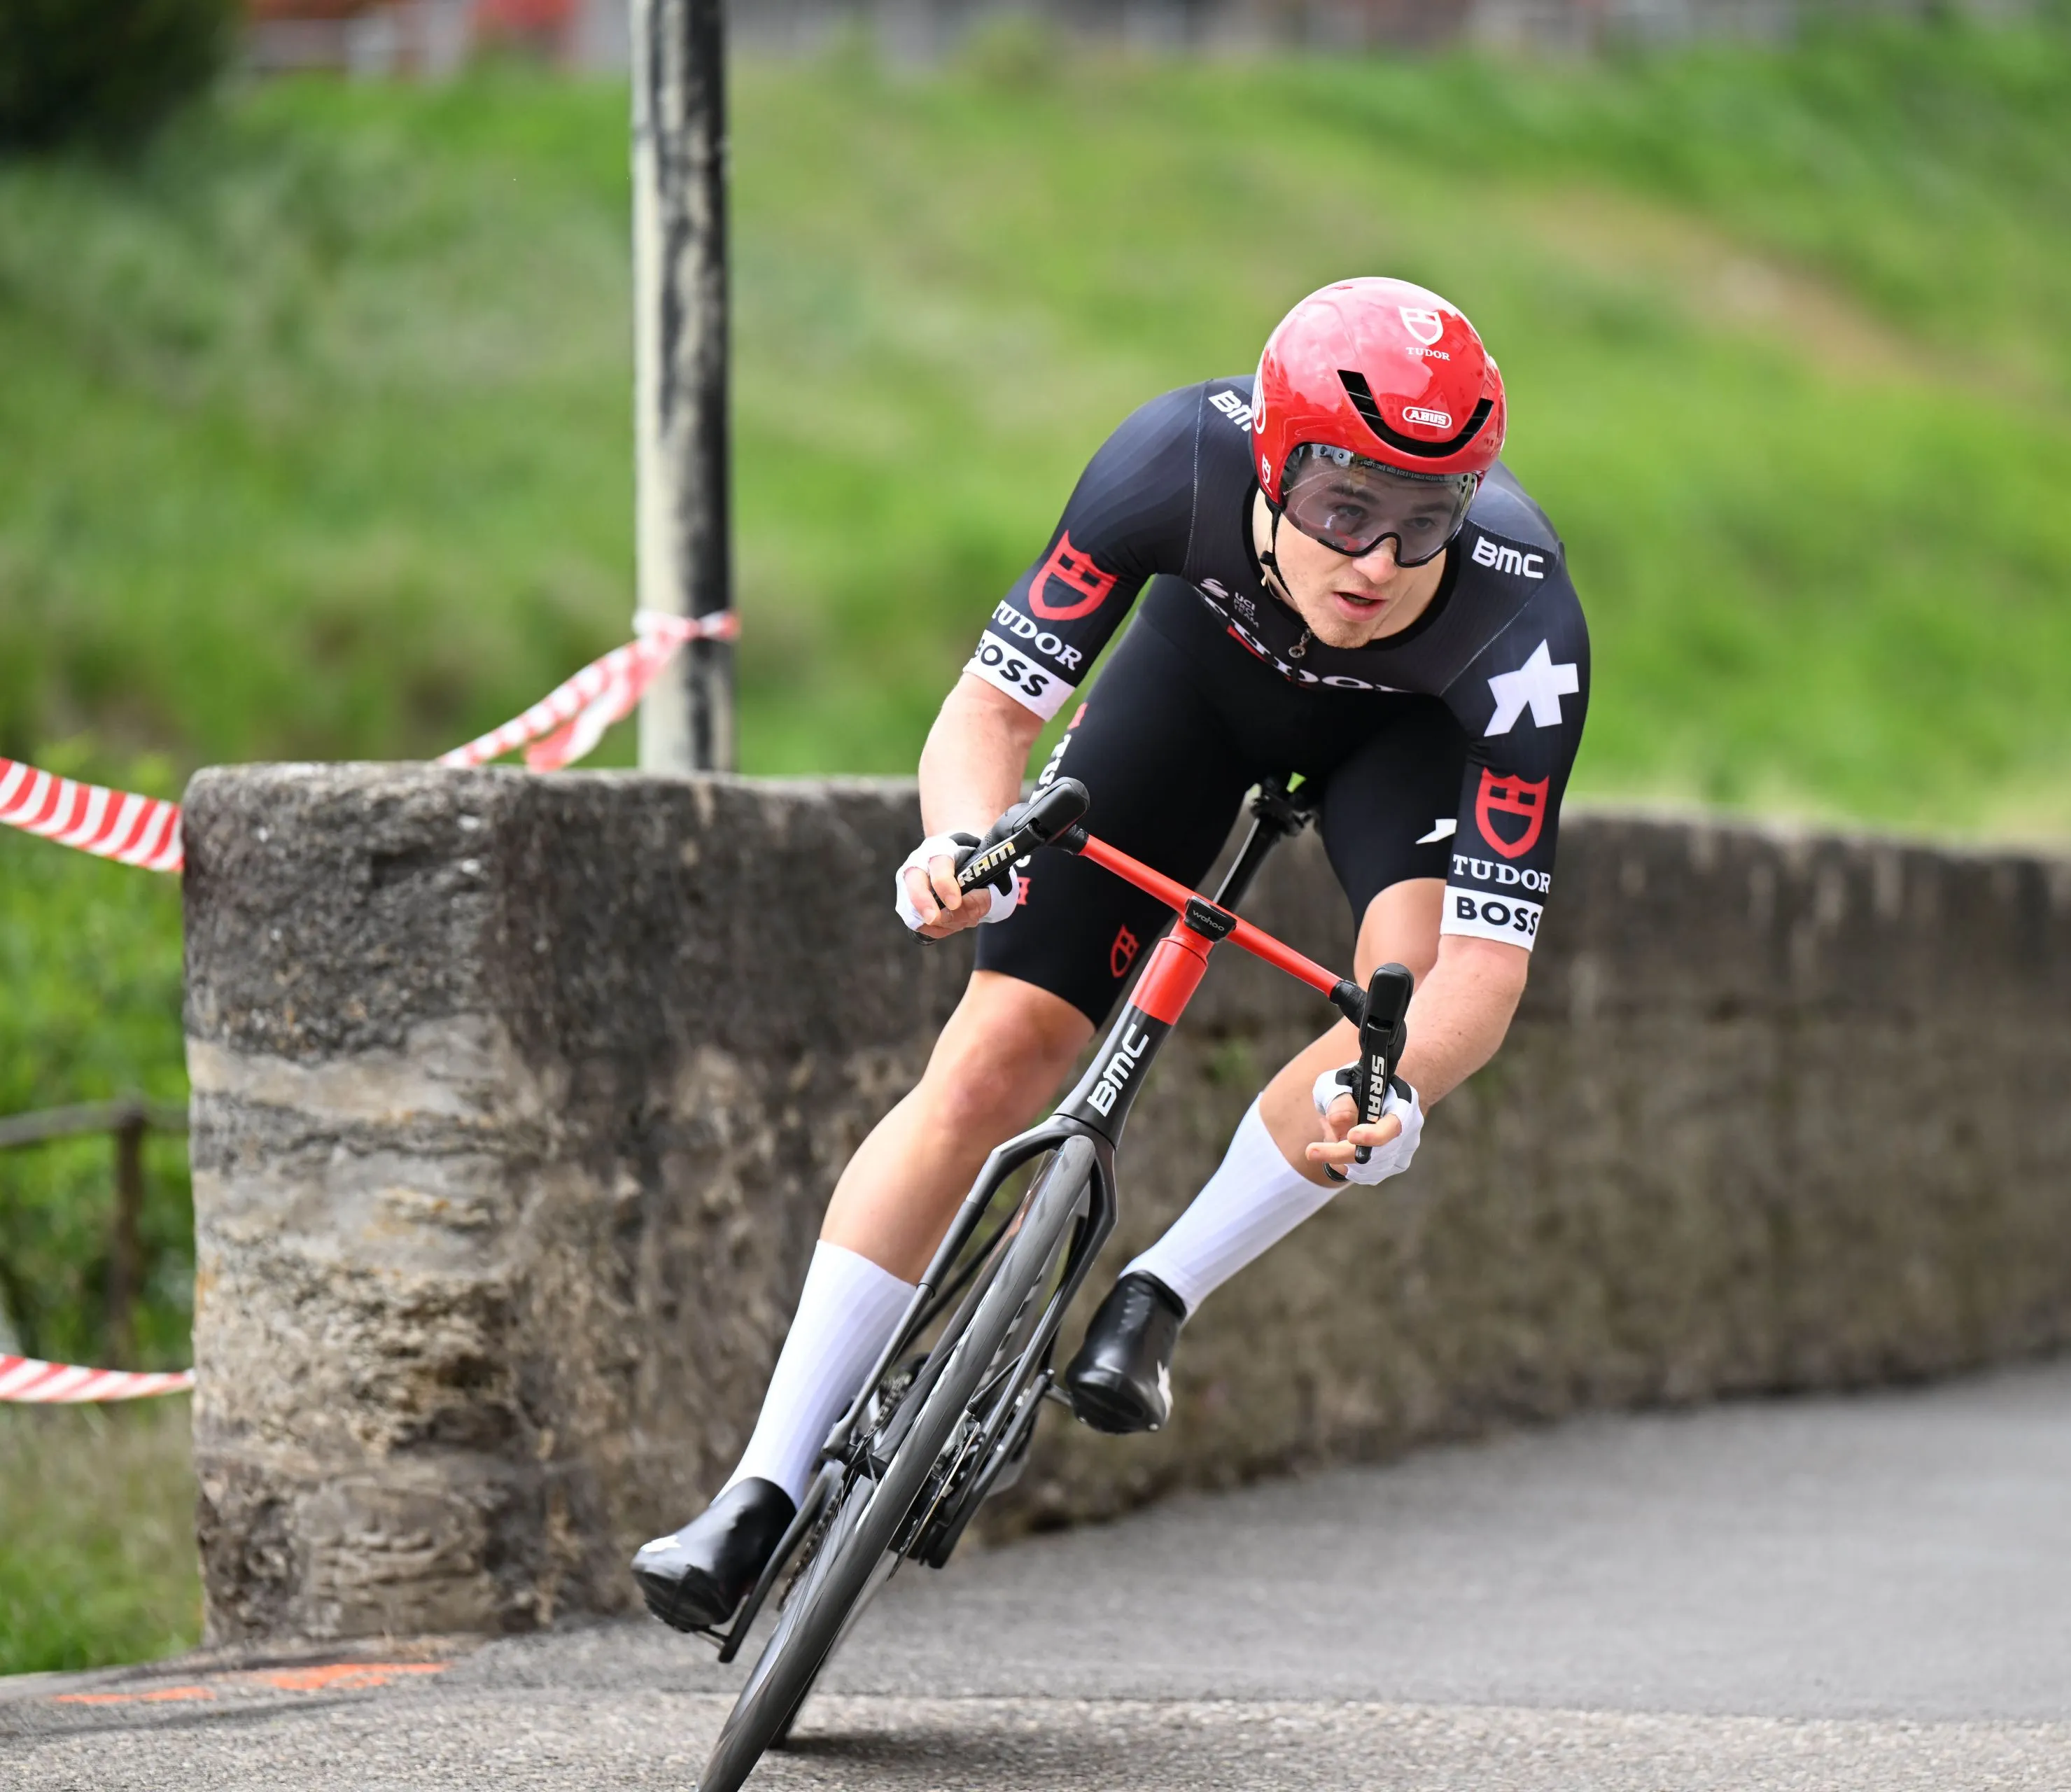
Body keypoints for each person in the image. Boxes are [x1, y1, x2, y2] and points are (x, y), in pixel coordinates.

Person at [633, 277, 1589, 1632]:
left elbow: (1479, 980)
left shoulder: (1523, 621)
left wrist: (1394, 1087)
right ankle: (761, 1488)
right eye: (1343, 508)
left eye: (1424, 520)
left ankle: (1160, 1290)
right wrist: (960, 848)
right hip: (1193, 690)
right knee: (992, 1053)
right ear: (1270, 466)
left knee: (1386, 1019)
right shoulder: (1172, 459)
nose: (1377, 560)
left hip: (1403, 740)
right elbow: (991, 711)